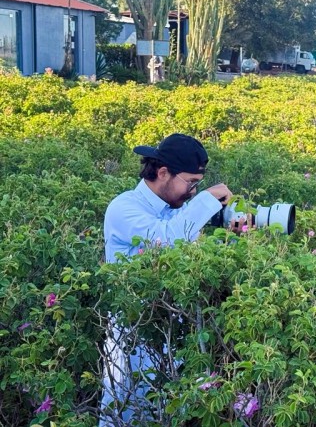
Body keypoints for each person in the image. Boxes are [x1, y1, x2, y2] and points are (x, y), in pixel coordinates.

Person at [101, 133, 240, 425]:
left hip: (175, 335)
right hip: (134, 335)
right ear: (162, 172)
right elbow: (167, 238)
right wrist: (204, 202)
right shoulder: (124, 208)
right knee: (129, 411)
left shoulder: (178, 211)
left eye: (197, 185)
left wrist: (233, 235)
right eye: (190, 183)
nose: (192, 191)